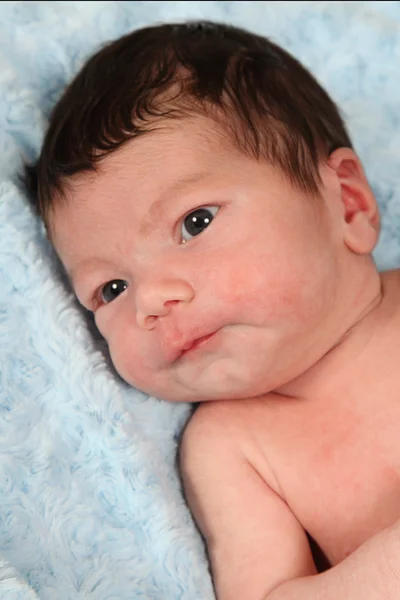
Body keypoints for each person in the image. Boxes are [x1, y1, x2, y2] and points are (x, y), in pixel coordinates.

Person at [24, 20, 400, 600]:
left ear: (347, 205)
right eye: (111, 289)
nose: (150, 299)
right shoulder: (232, 446)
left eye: (194, 223)